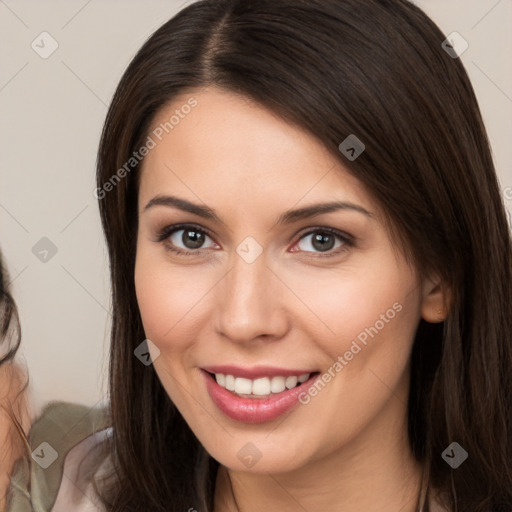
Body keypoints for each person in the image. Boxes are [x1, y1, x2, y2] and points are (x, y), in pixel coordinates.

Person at [6, 0, 512, 511]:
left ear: (441, 275)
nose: (244, 319)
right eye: (191, 237)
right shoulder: (47, 481)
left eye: (321, 240)